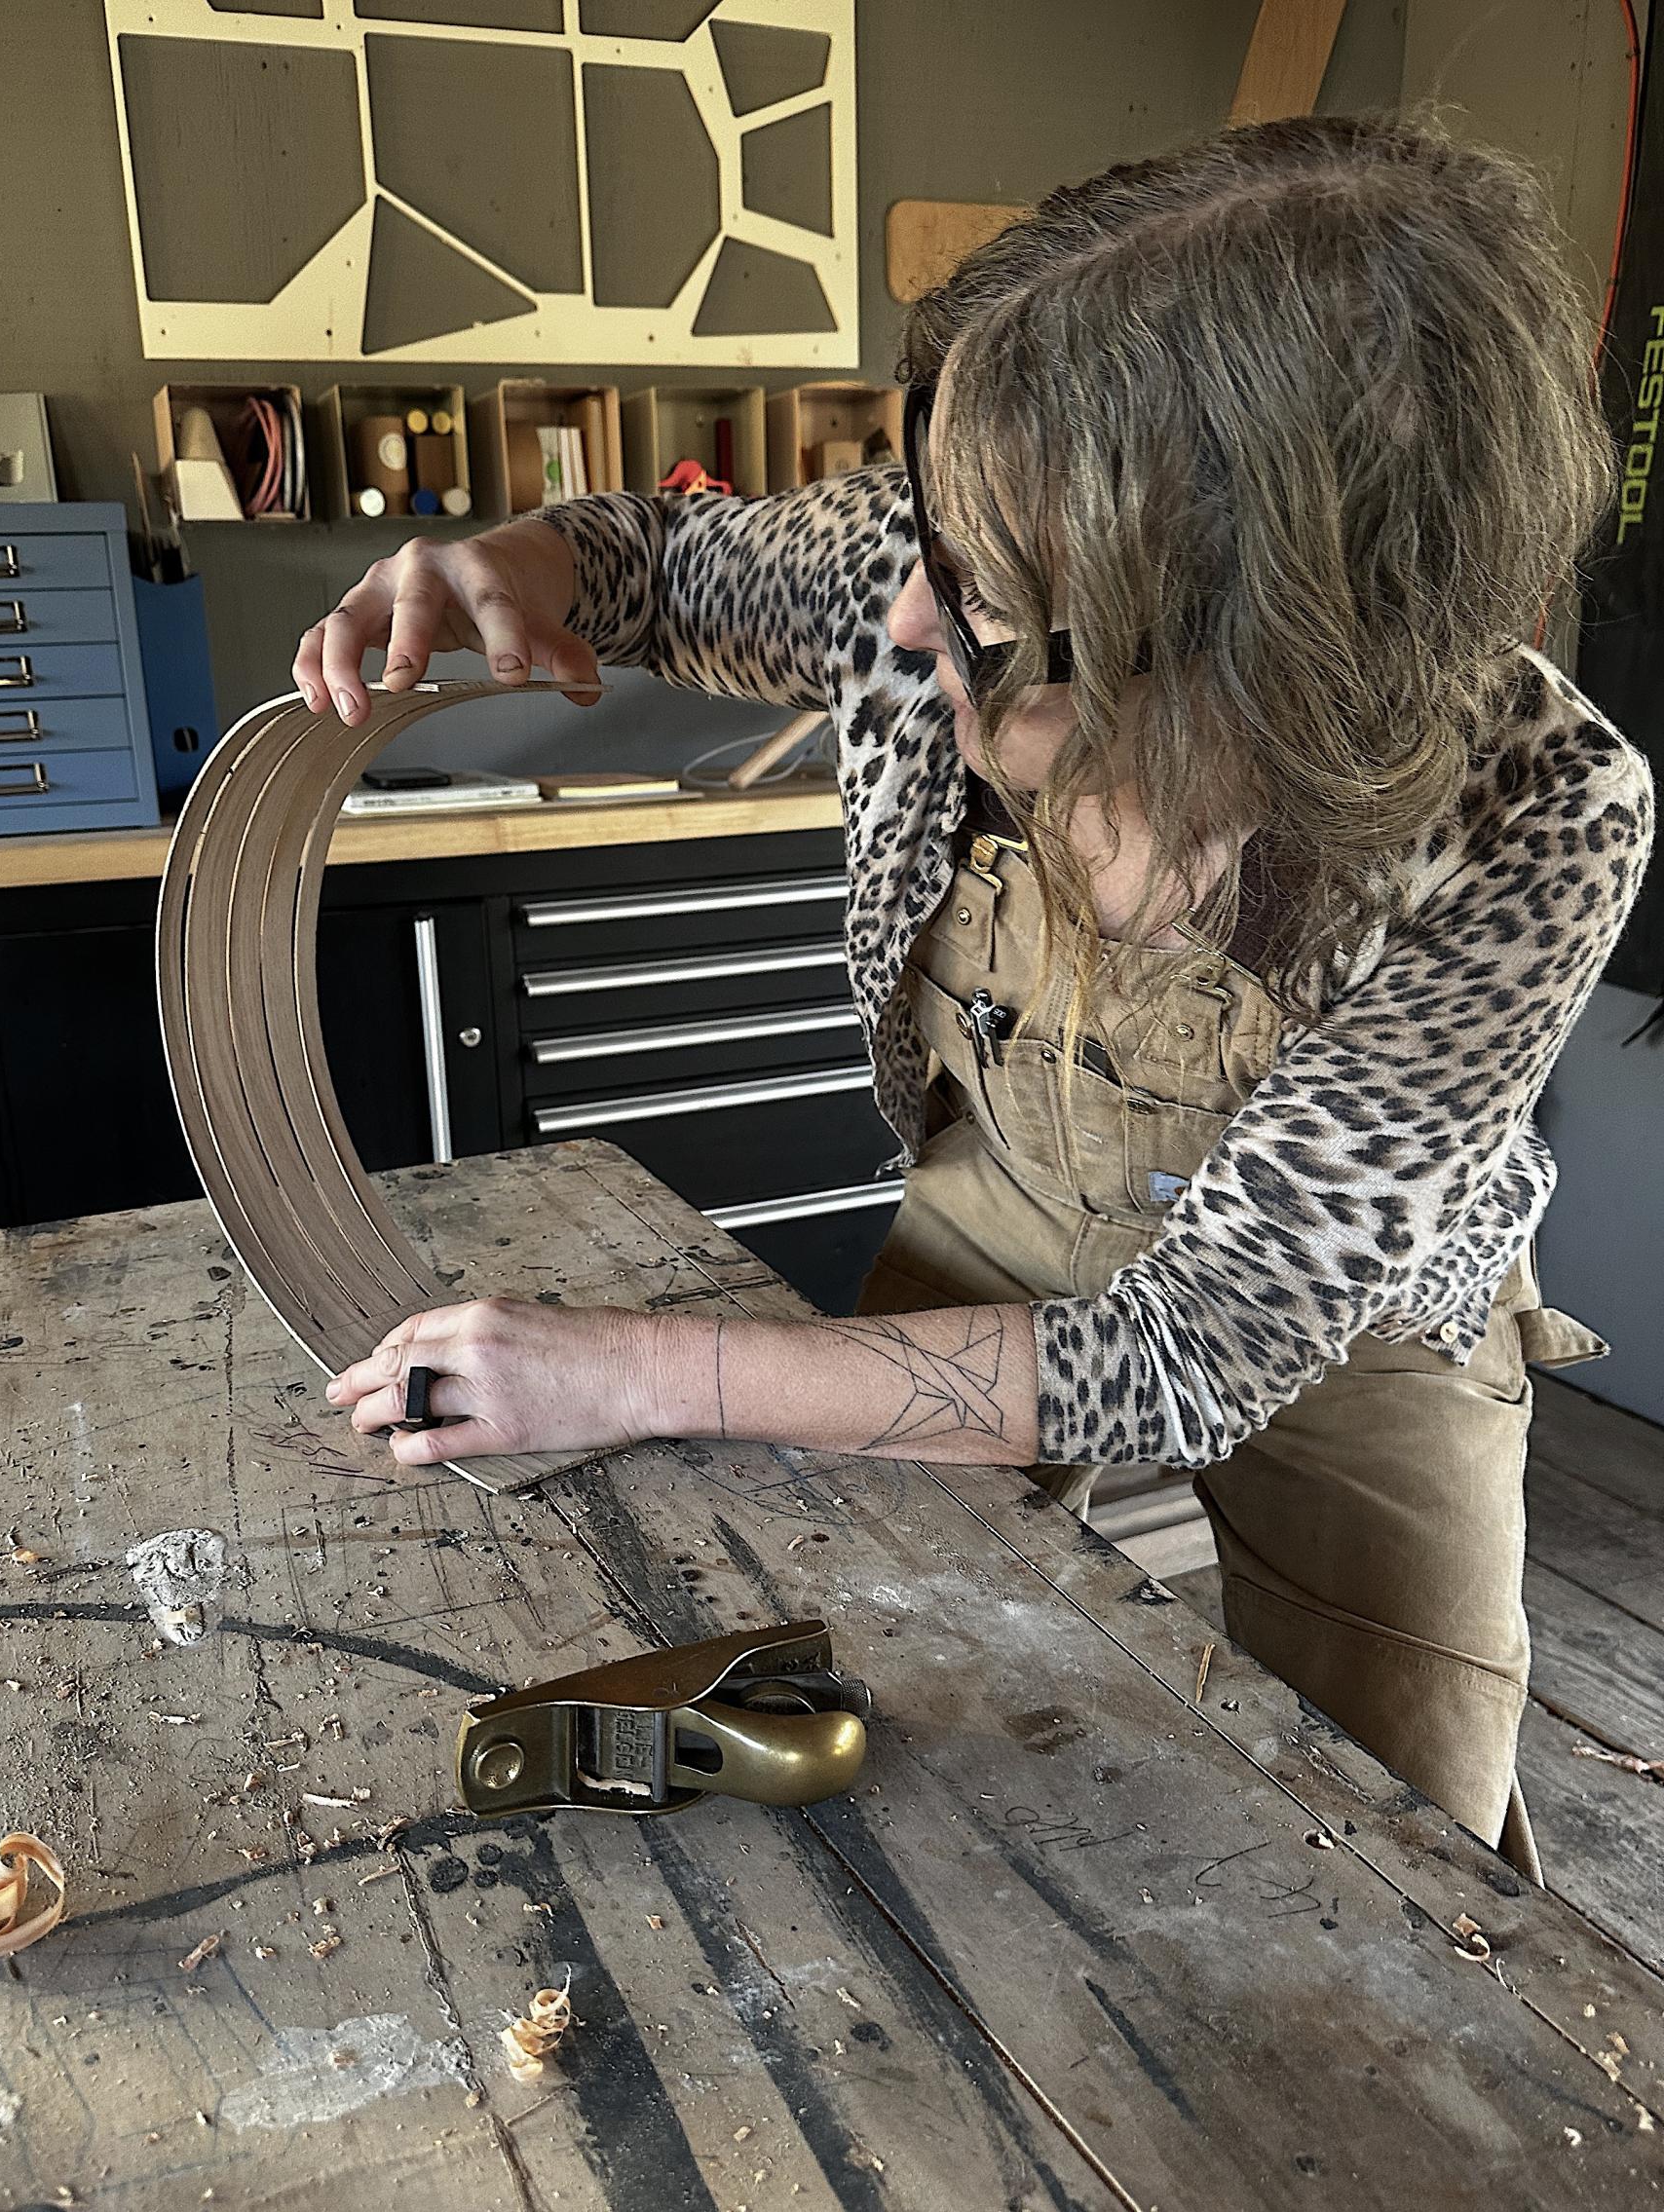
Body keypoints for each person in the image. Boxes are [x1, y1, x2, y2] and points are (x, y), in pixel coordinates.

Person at [294, 116, 1653, 1878]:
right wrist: (521, 564)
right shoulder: (919, 564)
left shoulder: (1537, 816)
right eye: (932, 529)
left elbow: (1189, 1355)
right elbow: (649, 560)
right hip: (996, 1206)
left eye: (996, 596)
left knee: (1417, 1844)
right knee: (842, 1686)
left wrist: (628, 1369)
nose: (913, 617)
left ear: (1257, 652)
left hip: (1353, 1329)